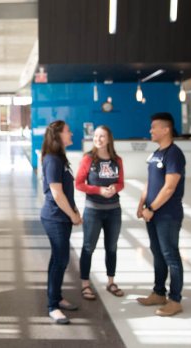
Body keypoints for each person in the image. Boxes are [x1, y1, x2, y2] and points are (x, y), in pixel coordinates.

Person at [136, 112, 186, 317]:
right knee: (157, 253)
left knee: (170, 255)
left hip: (167, 214)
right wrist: (141, 204)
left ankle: (175, 300)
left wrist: (152, 209)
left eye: (154, 127)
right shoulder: (156, 153)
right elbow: (150, 182)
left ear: (166, 129)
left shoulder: (174, 154)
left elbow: (169, 187)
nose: (151, 130)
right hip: (153, 214)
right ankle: (159, 293)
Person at [75, 125, 125, 301]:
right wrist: (98, 190)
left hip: (114, 211)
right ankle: (85, 284)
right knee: (89, 247)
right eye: (96, 136)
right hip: (93, 211)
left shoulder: (117, 160)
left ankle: (111, 282)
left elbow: (121, 183)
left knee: (112, 248)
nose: (98, 139)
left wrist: (114, 187)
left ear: (109, 139)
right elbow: (79, 183)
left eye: (102, 136)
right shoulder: (88, 159)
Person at [40, 120, 83, 324]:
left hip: (62, 216)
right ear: (58, 135)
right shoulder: (52, 160)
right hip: (55, 217)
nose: (71, 133)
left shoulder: (60, 158)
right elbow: (57, 194)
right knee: (61, 260)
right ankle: (52, 306)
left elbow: (66, 191)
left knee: (58, 259)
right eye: (68, 131)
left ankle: (56, 297)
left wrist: (74, 210)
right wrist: (72, 215)